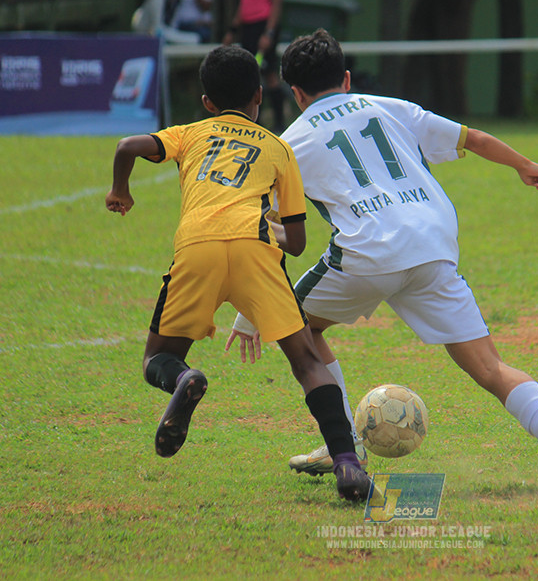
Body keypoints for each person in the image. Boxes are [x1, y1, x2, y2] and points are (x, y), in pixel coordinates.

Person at [226, 28, 538, 493]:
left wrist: (250, 311)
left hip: (366, 253)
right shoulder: (391, 107)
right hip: (433, 245)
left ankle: (345, 445)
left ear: (295, 93)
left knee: (302, 329)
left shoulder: (289, 145)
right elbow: (475, 138)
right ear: (345, 78)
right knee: (489, 368)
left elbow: (267, 230)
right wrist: (525, 165)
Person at [104, 44, 370, 502]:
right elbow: (299, 242)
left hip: (197, 248)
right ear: (259, 96)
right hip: (256, 252)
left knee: (157, 359)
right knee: (307, 362)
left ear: (207, 102)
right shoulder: (278, 148)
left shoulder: (190, 132)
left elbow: (127, 146)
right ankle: (348, 464)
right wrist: (267, 235)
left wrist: (120, 190)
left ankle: (183, 379)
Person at [222, 0, 286, 131]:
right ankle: (254, 122)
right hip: (248, 28)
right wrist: (233, 28)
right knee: (251, 72)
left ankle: (278, 121)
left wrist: (269, 32)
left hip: (263, 25)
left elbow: (276, 3)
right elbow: (244, 3)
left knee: (268, 73)